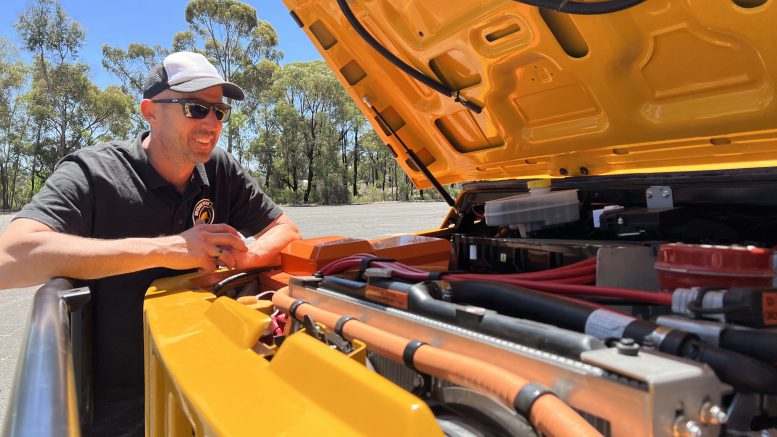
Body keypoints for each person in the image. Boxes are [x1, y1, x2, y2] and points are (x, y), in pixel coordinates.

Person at [0, 51, 301, 436]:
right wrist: (165, 249)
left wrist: (249, 255)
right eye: (195, 108)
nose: (212, 122)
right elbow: (10, 258)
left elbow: (286, 229)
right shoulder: (92, 173)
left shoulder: (220, 169)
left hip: (212, 383)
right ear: (150, 112)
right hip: (120, 409)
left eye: (219, 111)